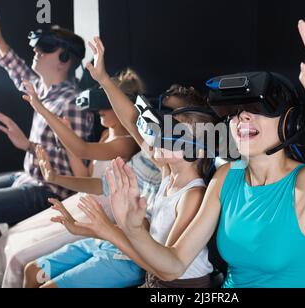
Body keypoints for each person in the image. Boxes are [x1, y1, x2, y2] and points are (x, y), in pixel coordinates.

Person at [107, 11, 305, 288]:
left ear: (289, 124)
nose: (242, 117)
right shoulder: (226, 177)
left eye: (256, 108)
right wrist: (133, 229)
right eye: (236, 111)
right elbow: (173, 265)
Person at [22, 38, 218, 288]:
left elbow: (167, 267)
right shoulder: (168, 171)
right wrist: (103, 78)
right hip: (152, 274)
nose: (154, 136)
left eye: (169, 132)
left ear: (196, 145)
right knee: (33, 273)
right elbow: (132, 119)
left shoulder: (193, 195)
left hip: (176, 286)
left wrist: (106, 230)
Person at [0, 71, 151, 288]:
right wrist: (56, 168)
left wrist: (41, 109)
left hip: (101, 209)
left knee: (22, 255)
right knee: (10, 237)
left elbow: (84, 149)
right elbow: (85, 175)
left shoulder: (127, 143)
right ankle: (1, 282)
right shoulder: (106, 134)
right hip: (83, 198)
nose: (98, 110)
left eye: (106, 102)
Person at [0, 7, 93, 257]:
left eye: (46, 47)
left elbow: (77, 168)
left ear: (65, 59)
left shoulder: (72, 105)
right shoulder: (43, 89)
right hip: (26, 176)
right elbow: (19, 73)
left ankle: (10, 274)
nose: (36, 50)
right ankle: (9, 272)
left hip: (49, 190)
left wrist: (30, 146)